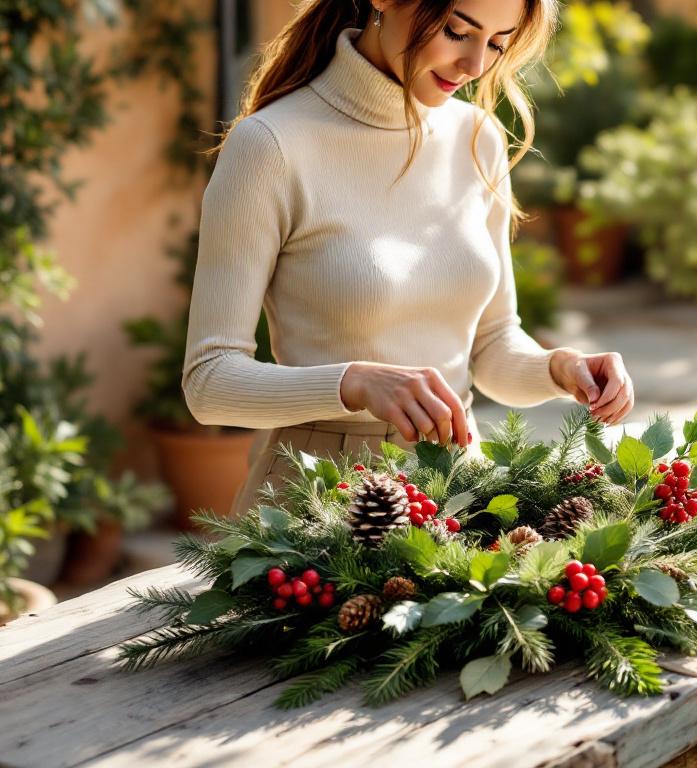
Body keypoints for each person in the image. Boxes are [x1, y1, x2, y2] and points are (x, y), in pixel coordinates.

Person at [182, 0, 634, 518]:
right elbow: (209, 382)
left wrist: (560, 369)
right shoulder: (269, 146)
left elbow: (490, 346)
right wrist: (354, 382)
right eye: (456, 31)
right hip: (318, 505)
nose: (476, 66)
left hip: (457, 493)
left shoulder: (477, 138)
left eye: (497, 43)